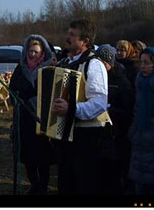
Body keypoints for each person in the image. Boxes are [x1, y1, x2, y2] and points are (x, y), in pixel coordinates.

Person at [51, 18, 112, 195]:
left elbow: (100, 103)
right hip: (67, 137)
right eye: (68, 33)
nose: (67, 37)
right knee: (66, 185)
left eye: (72, 35)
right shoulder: (65, 63)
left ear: (85, 41)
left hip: (87, 139)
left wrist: (72, 109)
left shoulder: (94, 65)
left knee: (85, 186)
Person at [8, 35, 55, 195]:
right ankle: (34, 183)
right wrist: (16, 99)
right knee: (28, 156)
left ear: (42, 52)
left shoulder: (50, 68)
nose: (32, 54)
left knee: (43, 157)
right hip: (25, 119)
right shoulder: (20, 68)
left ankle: (43, 186)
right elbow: (12, 89)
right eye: (30, 51)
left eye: (36, 51)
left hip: (42, 118)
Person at [128, 46, 154, 195]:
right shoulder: (141, 80)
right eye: (141, 62)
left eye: (147, 63)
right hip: (140, 145)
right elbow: (137, 108)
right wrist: (134, 132)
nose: (143, 67)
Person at [94, 45, 134, 195]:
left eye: (102, 63)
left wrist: (109, 110)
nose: (98, 66)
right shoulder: (96, 79)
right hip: (98, 136)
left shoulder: (122, 83)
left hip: (115, 138)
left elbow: (128, 112)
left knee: (112, 180)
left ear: (109, 62)